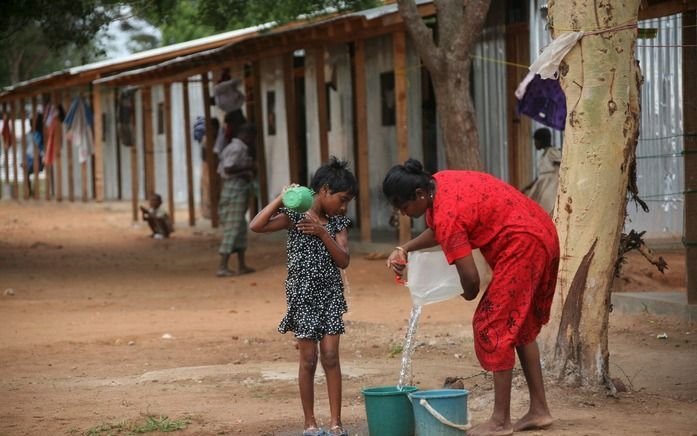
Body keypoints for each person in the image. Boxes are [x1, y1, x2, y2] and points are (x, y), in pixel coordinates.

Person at [383, 159, 559, 436]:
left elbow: (472, 281)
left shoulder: (446, 213)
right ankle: (539, 410)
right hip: (539, 232)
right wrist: (405, 247)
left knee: (492, 325)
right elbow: (440, 230)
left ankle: (500, 421)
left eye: (404, 208)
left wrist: (462, 292)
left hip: (524, 244)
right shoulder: (438, 184)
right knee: (519, 326)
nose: (404, 214)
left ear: (419, 195)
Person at [249, 157, 358, 436]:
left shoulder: (338, 223)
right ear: (323, 190)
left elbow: (343, 260)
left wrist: (323, 233)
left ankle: (336, 422)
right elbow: (256, 226)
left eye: (348, 201)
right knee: (308, 359)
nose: (344, 206)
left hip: (330, 294)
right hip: (302, 295)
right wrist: (281, 198)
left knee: (331, 356)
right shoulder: (294, 217)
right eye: (342, 199)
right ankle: (310, 423)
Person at [216, 123, 256, 277]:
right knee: (233, 227)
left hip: (238, 188)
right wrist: (247, 170)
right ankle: (222, 266)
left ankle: (241, 265)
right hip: (234, 188)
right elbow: (228, 168)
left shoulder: (236, 147)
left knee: (240, 226)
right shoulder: (237, 148)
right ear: (246, 136)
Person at [522, 128, 562, 215]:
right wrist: (529, 186)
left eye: (536, 141)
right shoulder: (544, 154)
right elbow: (540, 176)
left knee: (547, 205)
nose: (535, 143)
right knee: (538, 205)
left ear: (541, 140)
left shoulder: (552, 152)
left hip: (551, 185)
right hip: (543, 184)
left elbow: (562, 162)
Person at [194, 116, 219, 219]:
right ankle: (208, 213)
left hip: (217, 167)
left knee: (217, 189)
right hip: (208, 167)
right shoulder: (206, 139)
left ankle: (216, 213)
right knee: (208, 190)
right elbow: (204, 155)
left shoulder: (219, 136)